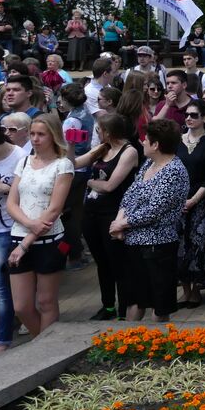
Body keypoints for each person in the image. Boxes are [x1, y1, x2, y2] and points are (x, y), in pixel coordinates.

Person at [108, 119, 189, 323]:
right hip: (133, 243)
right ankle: (127, 343)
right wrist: (118, 222)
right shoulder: (149, 163)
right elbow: (130, 195)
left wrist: (122, 224)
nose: (142, 142)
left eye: (146, 139)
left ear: (156, 145)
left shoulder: (174, 172)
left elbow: (154, 210)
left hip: (158, 246)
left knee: (159, 304)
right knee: (134, 299)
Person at [5, 113, 73, 339]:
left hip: (49, 240)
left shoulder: (62, 165)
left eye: (41, 134)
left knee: (46, 301)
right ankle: (42, 345)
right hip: (20, 235)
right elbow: (11, 202)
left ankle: (46, 351)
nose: (35, 139)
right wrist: (29, 224)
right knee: (21, 306)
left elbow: (54, 210)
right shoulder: (23, 161)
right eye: (32, 134)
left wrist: (26, 243)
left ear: (53, 136)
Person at [78, 112, 140, 320]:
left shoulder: (128, 151)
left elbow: (111, 185)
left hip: (113, 213)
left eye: (99, 130)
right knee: (102, 262)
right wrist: (69, 144)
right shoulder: (102, 148)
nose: (97, 133)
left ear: (109, 131)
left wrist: (90, 183)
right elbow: (74, 163)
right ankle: (108, 306)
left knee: (118, 262)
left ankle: (124, 308)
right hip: (92, 212)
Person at [177, 99, 205, 309]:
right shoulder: (177, 140)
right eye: (187, 114)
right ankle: (185, 289)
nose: (188, 118)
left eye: (194, 115)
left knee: (198, 246)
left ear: (204, 118)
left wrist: (194, 200)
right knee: (179, 246)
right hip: (176, 202)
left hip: (202, 203)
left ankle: (196, 289)